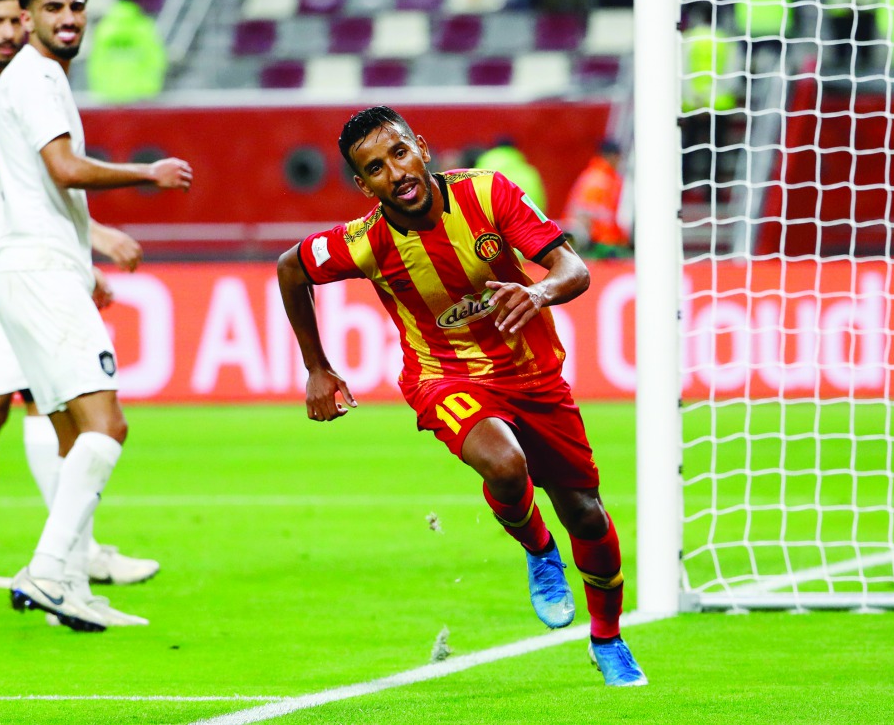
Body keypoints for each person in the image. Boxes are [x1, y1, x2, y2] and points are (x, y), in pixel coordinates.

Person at [276, 106, 646, 687]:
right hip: (443, 375)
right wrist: (317, 368)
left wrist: (540, 292)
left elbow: (572, 268)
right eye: (375, 168)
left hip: (534, 375)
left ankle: (608, 638)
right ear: (363, 185)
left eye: (400, 153)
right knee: (505, 463)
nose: (395, 172)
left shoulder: (488, 194)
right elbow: (290, 269)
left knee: (586, 513)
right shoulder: (364, 243)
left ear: (421, 148)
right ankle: (540, 549)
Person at [0, 0, 159, 592]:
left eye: (13, 20)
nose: (8, 32)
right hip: (1, 260)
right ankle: (71, 556)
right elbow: (16, 171)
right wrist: (95, 238)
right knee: (44, 398)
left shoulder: (10, 79)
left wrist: (79, 253)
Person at [0, 0, 192, 631]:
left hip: (34, 269)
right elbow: (64, 169)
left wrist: (85, 260)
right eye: (53, 8)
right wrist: (147, 172)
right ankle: (47, 572)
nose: (69, 18)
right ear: (26, 19)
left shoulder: (39, 78)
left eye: (77, 6)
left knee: (71, 433)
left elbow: (45, 187)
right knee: (108, 426)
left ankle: (70, 588)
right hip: (39, 273)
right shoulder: (35, 77)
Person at [86, 0, 166, 104]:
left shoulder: (104, 28)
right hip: (142, 95)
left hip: (108, 95)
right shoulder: (145, 27)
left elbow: (96, 60)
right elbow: (156, 59)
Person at [561, 140, 629, 258]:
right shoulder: (604, 180)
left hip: (594, 242)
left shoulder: (592, 176)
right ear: (612, 156)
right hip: (599, 244)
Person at [473, 137, 547, 214]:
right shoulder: (529, 170)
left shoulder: (485, 164)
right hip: (528, 216)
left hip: (496, 216)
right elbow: (540, 199)